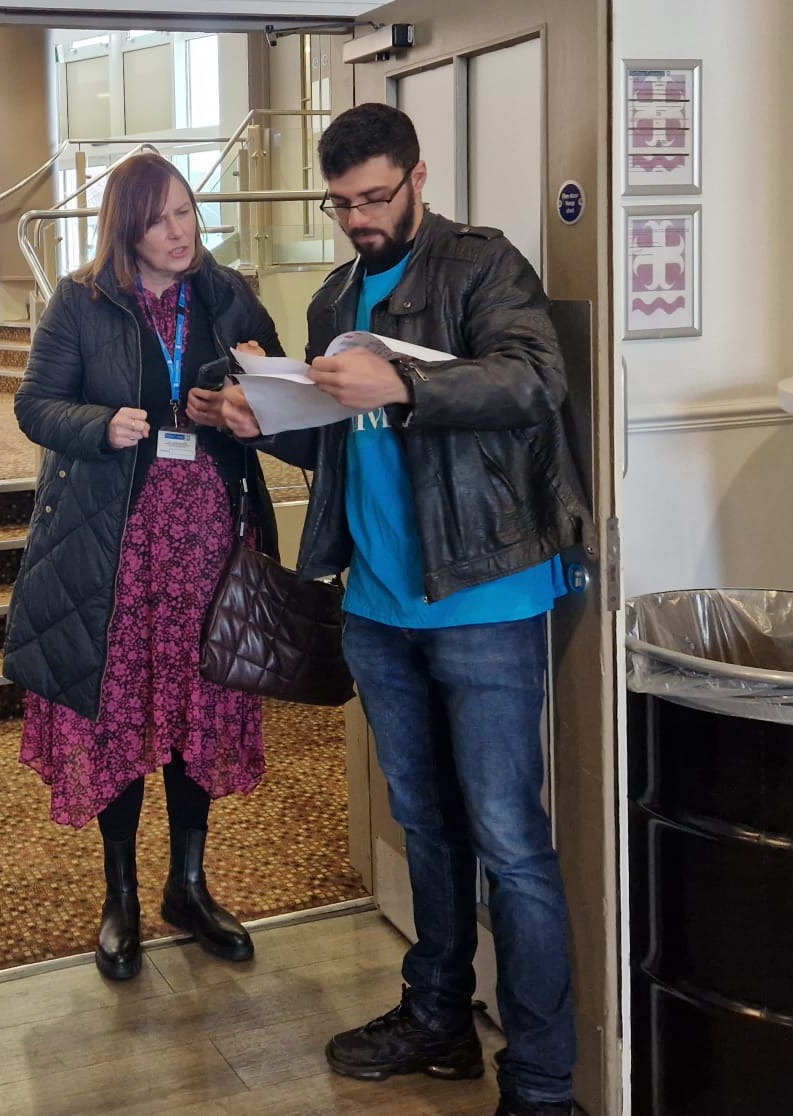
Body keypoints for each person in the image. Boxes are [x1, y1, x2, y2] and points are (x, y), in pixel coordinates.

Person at [220, 103, 592, 1116]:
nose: (358, 220)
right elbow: (334, 440)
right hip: (379, 604)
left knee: (510, 843)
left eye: (375, 198)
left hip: (482, 594)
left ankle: (542, 1083)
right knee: (425, 825)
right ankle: (438, 1020)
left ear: (417, 179)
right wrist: (263, 417)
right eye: (340, 204)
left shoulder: (481, 264)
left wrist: (401, 383)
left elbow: (534, 379)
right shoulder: (336, 294)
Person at [4, 151, 286, 981]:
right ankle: (120, 895)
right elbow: (35, 406)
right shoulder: (82, 300)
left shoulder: (229, 295)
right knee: (120, 716)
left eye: (185, 212)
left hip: (208, 541)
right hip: (113, 542)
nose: (178, 232)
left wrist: (239, 410)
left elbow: (283, 400)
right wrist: (98, 426)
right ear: (126, 228)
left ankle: (187, 886)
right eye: (159, 219)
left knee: (197, 710)